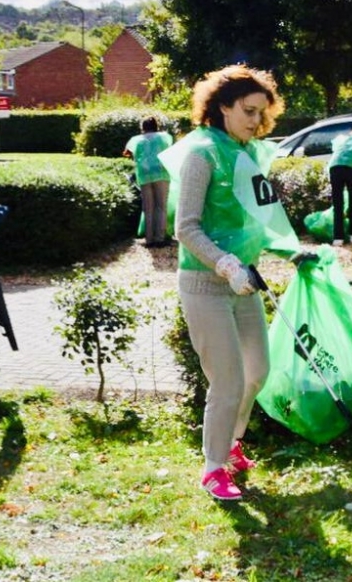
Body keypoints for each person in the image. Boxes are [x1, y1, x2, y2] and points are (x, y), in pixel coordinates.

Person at [164, 64, 314, 501]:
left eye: (262, 114)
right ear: (222, 107)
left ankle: (232, 443)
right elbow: (186, 229)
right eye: (248, 111)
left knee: (257, 372)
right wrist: (226, 265)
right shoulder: (201, 155)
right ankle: (213, 469)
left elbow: (257, 223)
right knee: (227, 381)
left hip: (244, 282)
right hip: (206, 284)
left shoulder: (244, 154)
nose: (256, 121)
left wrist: (294, 251)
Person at [123, 117, 174, 248]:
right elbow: (170, 147)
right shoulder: (164, 137)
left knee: (148, 208)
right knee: (161, 207)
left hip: (144, 176)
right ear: (156, 126)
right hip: (161, 174)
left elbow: (126, 153)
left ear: (143, 127)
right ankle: (160, 238)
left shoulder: (136, 140)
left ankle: (149, 240)